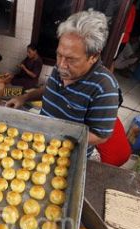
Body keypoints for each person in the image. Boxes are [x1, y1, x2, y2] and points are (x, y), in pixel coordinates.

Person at [7, 10, 121, 155]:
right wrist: (24, 98)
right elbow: (49, 89)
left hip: (68, 154)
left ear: (93, 56)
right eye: (59, 54)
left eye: (71, 59)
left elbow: (100, 136)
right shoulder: (61, 66)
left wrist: (60, 139)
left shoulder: (105, 87)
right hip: (41, 142)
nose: (61, 64)